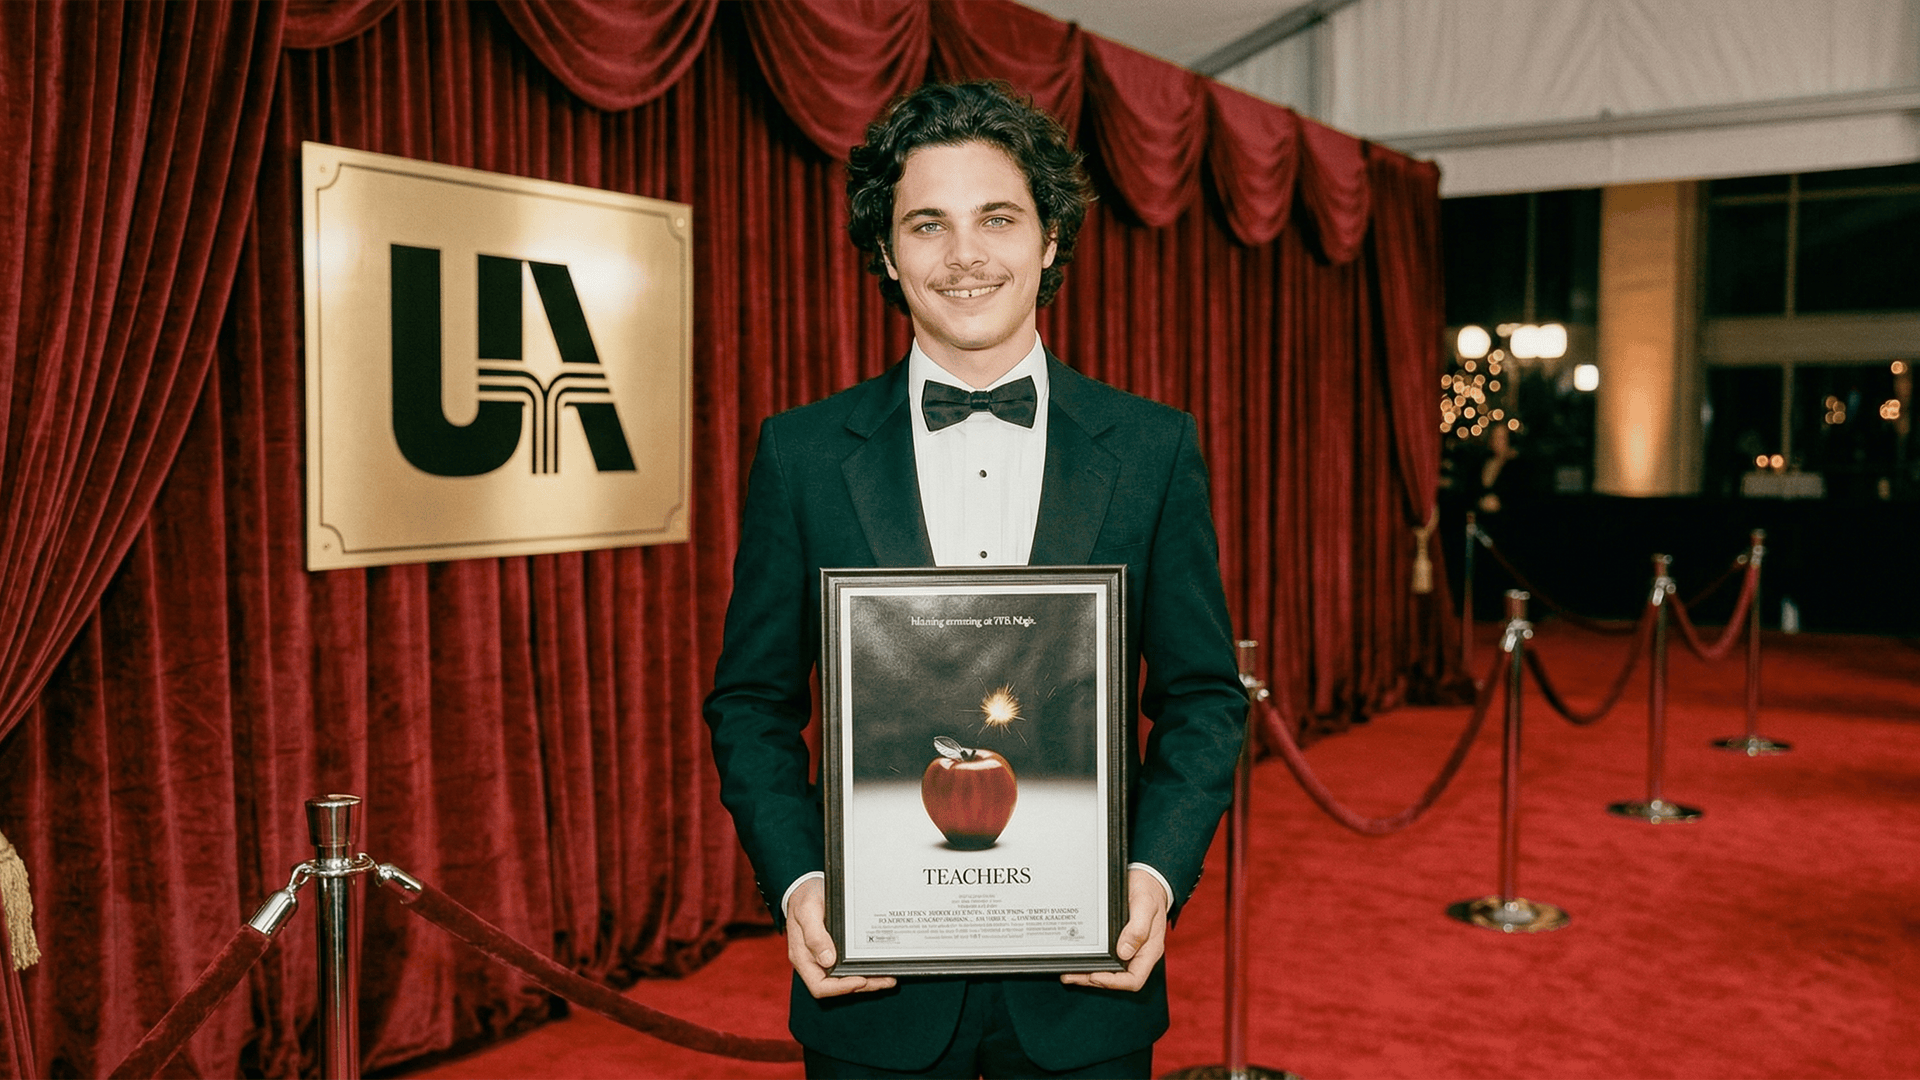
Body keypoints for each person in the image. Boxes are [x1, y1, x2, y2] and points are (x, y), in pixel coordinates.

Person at [703, 81, 1245, 1079]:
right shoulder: (802, 454)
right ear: (886, 252)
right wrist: (802, 884)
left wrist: (1154, 875)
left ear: (1050, 239)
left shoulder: (1153, 449)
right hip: (873, 988)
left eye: (998, 218)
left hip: (1088, 987)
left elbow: (1205, 697)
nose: (965, 255)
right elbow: (751, 703)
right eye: (927, 224)